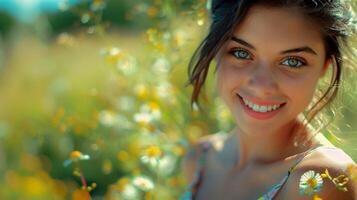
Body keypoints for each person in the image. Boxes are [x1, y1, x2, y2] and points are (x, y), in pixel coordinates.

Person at [180, 0, 357, 199]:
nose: (262, 86)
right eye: (241, 53)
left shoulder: (319, 180)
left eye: (292, 61)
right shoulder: (200, 160)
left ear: (325, 65)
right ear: (215, 51)